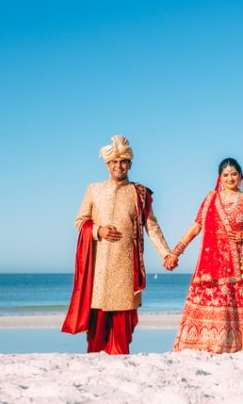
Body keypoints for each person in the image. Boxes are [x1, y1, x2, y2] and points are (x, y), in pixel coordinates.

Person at [62, 135, 174, 355]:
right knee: (98, 318)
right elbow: (79, 221)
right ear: (107, 165)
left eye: (123, 162)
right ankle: (95, 357)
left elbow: (151, 226)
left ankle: (120, 354)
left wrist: (166, 254)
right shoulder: (94, 189)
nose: (119, 166)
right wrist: (98, 230)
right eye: (114, 162)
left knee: (123, 317)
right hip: (98, 266)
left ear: (130, 164)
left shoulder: (139, 193)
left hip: (126, 265)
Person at [168, 157, 243, 354]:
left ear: (240, 176)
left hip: (242, 265)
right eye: (226, 174)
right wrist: (176, 251)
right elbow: (196, 227)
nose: (230, 178)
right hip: (211, 266)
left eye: (234, 174)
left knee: (240, 301)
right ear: (220, 178)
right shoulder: (210, 199)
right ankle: (206, 344)